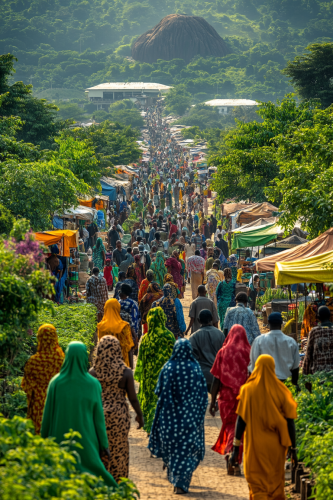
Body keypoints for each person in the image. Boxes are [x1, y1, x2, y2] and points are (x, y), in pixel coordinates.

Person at [41, 342, 118, 488]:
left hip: (59, 441)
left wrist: (43, 440)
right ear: (85, 358)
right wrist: (104, 445)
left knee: (60, 480)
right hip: (87, 443)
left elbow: (47, 417)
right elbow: (98, 419)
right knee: (92, 480)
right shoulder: (93, 384)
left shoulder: (55, 383)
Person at [229, 355, 297, 499]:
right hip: (276, 446)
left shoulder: (247, 390)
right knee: (275, 483)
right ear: (273, 368)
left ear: (256, 368)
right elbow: (290, 422)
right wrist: (293, 449)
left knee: (256, 483)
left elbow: (241, 420)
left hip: (254, 447)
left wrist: (235, 449)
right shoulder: (281, 390)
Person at [148, 339, 208, 494]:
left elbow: (158, 392)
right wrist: (199, 414)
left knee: (173, 449)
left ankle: (176, 476)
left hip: (170, 420)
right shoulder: (195, 369)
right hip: (190, 419)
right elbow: (203, 396)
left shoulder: (168, 368)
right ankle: (181, 480)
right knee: (187, 450)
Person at [89, 336, 144, 482]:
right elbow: (132, 398)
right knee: (119, 451)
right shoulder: (125, 372)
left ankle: (101, 484)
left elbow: (89, 399)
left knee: (100, 450)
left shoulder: (92, 373)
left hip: (98, 417)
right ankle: (118, 484)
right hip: (119, 416)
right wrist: (140, 415)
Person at [209, 325, 250, 475]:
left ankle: (232, 454)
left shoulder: (223, 352)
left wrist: (213, 402)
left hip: (226, 398)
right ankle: (235, 458)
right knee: (240, 427)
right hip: (244, 397)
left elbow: (216, 379)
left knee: (229, 425)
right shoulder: (249, 352)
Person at [134, 307, 175, 433]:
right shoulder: (169, 336)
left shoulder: (146, 338)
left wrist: (139, 375)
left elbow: (140, 359)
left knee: (150, 402)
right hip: (165, 378)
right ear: (163, 319)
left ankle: (151, 428)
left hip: (149, 377)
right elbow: (174, 357)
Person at [22, 324, 65, 434]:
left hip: (38, 404)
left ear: (39, 338)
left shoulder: (33, 362)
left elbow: (26, 387)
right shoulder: (61, 360)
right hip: (58, 402)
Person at [249, 312, 300, 384]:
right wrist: (295, 385)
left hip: (265, 384)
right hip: (285, 384)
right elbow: (295, 368)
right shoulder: (291, 342)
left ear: (269, 322)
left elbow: (253, 365)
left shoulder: (259, 341)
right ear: (281, 323)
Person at [189, 310, 225, 394]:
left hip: (200, 376)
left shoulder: (194, 336)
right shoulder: (220, 334)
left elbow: (191, 358)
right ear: (212, 319)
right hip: (217, 376)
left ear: (198, 320)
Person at [98, 299, 134, 368]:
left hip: (106, 366)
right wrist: (131, 369)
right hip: (122, 366)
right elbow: (129, 349)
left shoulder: (101, 327)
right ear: (118, 309)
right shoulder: (124, 326)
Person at [303, 305, 333, 376]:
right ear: (330, 316)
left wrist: (305, 374)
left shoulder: (315, 331)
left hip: (318, 375)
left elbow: (308, 355)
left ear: (318, 318)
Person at [119, 283, 140, 348]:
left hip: (120, 331)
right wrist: (136, 335)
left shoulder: (117, 303)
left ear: (122, 292)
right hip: (131, 331)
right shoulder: (133, 303)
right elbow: (137, 318)